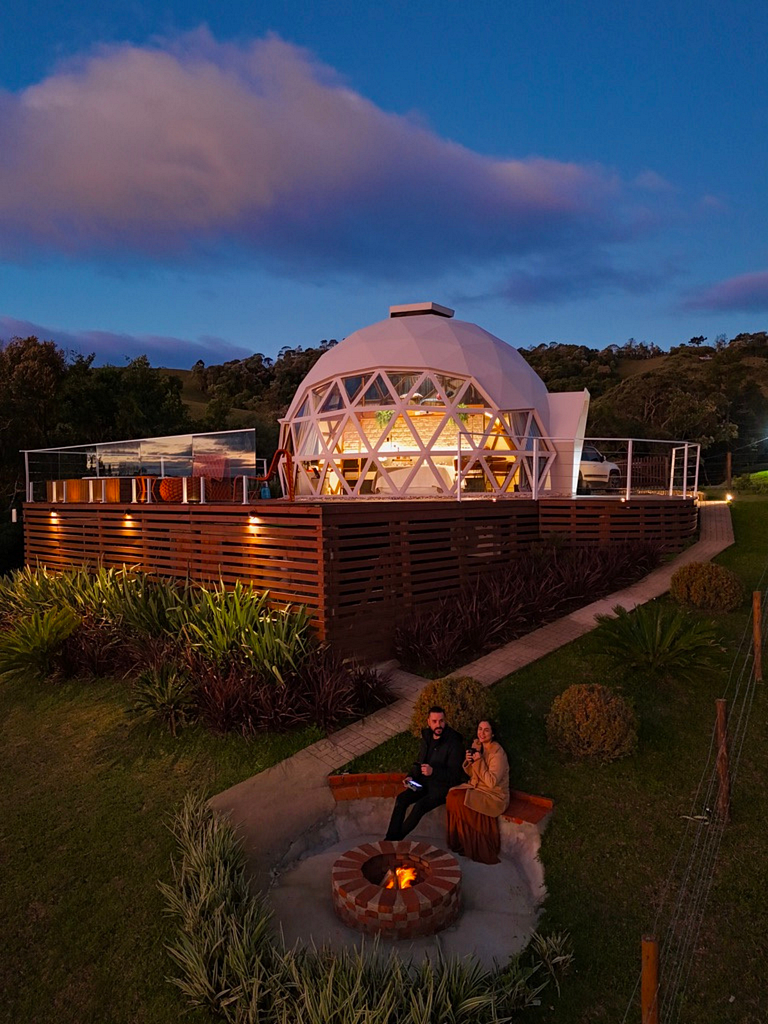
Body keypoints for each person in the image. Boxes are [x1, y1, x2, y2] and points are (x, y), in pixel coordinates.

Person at [385, 706, 465, 841]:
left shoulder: (454, 743)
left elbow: (455, 776)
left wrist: (433, 772)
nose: (438, 725)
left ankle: (395, 840)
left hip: (441, 787)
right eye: (434, 721)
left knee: (419, 807)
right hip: (423, 783)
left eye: (441, 721)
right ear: (428, 722)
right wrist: (410, 776)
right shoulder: (427, 737)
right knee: (401, 800)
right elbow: (419, 761)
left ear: (445, 721)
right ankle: (390, 838)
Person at [445, 719, 510, 864]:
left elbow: (492, 782)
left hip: (494, 795)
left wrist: (479, 761)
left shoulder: (497, 754)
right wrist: (469, 762)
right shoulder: (478, 746)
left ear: (493, 734)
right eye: (480, 729)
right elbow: (473, 774)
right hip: (478, 787)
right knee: (451, 796)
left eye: (486, 730)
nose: (482, 733)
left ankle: (475, 846)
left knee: (458, 800)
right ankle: (461, 841)